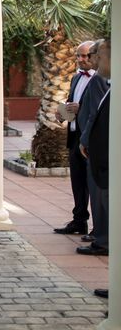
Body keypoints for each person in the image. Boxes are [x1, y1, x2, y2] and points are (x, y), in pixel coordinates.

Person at [80, 39, 111, 299]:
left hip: (105, 160)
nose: (93, 59)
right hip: (96, 154)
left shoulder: (105, 83)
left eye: (97, 54)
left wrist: (87, 139)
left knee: (104, 203)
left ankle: (103, 239)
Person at [54, 41, 95, 235]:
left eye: (85, 56)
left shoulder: (102, 80)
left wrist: (81, 109)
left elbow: (101, 110)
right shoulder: (76, 78)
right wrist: (63, 111)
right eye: (78, 56)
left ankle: (100, 229)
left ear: (94, 56)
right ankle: (79, 221)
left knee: (93, 184)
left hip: (92, 138)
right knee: (77, 182)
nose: (81, 60)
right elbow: (72, 102)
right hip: (74, 134)